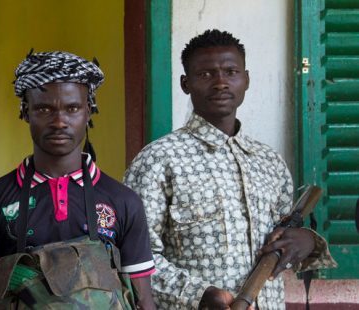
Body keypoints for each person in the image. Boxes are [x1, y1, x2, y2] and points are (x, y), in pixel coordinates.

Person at [123, 29, 337, 309]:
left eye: (231, 71)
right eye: (206, 74)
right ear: (185, 84)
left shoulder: (269, 161)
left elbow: (285, 239)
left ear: (246, 80)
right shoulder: (158, 160)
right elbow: (135, 257)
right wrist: (199, 295)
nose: (221, 82)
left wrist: (306, 242)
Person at [0, 51, 156, 309]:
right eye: (44, 109)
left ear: (89, 112)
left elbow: (143, 300)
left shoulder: (122, 201)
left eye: (72, 108)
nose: (59, 121)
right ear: (26, 113)